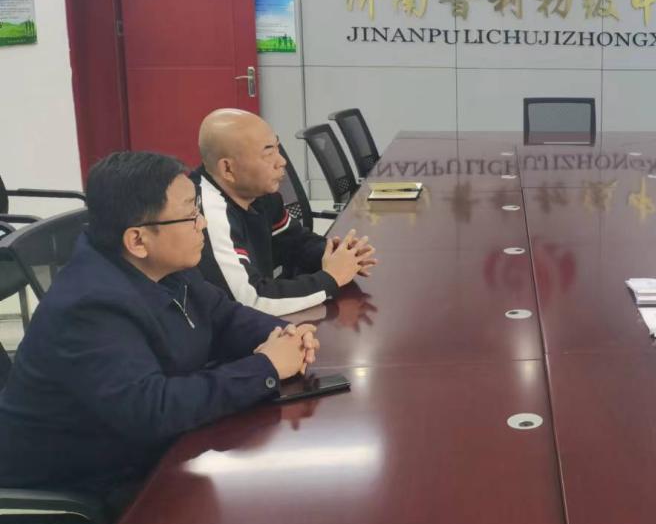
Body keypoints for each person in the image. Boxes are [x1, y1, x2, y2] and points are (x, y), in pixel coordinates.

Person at [0, 152, 319, 503]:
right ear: (138, 240)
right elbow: (154, 409)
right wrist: (266, 368)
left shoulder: (164, 266)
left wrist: (287, 336)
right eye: (190, 215)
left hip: (155, 456)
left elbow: (224, 317)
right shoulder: (89, 307)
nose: (203, 224)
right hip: (86, 491)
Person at [193, 109, 376, 315]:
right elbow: (250, 299)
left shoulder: (257, 193)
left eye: (277, 148)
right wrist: (330, 279)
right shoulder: (207, 215)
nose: (282, 161)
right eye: (268, 153)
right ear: (227, 169)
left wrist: (336, 253)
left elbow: (294, 241)